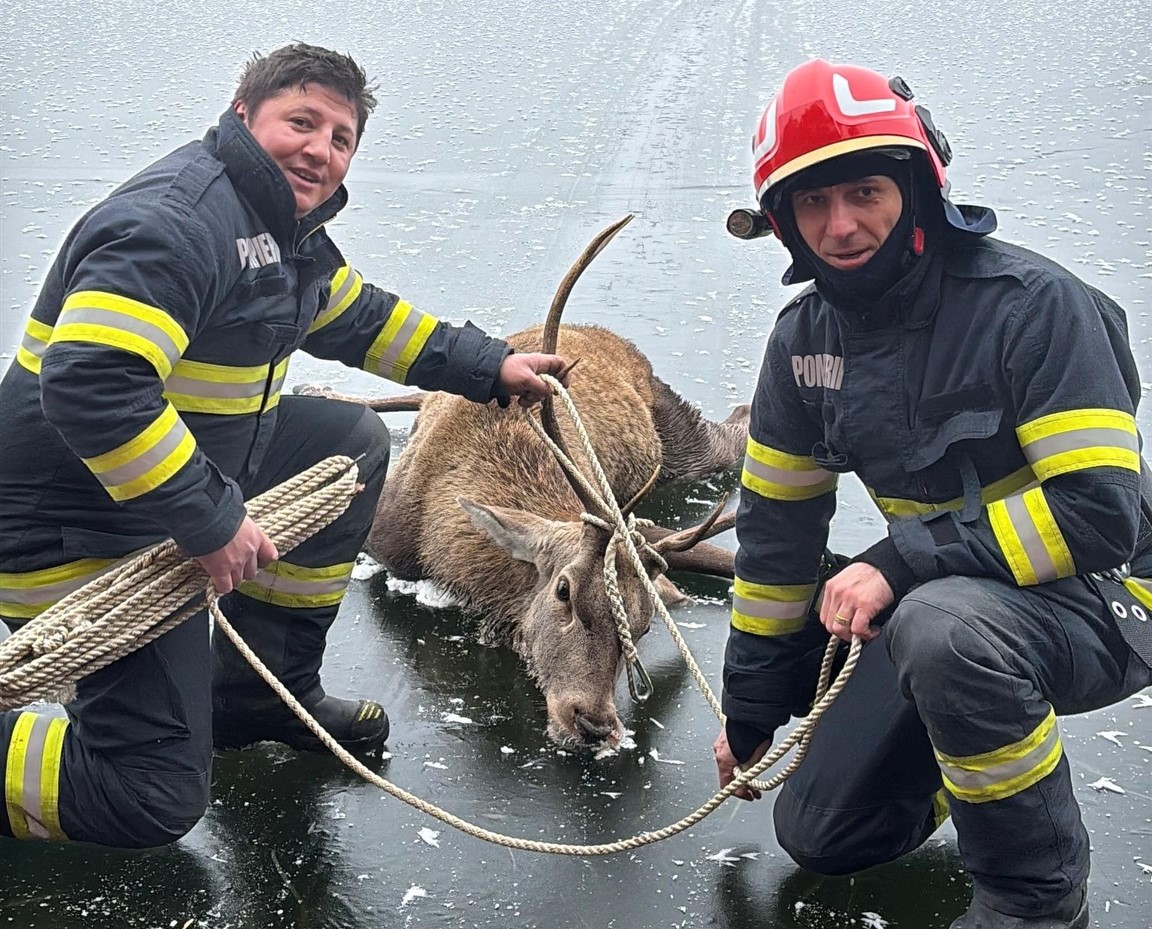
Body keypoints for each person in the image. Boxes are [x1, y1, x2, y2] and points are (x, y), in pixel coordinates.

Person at [0, 43, 569, 848]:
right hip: (75, 524)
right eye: (301, 121)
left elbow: (361, 317)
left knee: (350, 442)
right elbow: (93, 382)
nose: (321, 149)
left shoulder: (280, 231)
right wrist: (209, 521)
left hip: (160, 487)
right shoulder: (179, 221)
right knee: (147, 793)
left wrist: (490, 366)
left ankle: (261, 694)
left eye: (341, 138)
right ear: (243, 117)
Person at [714, 58, 1152, 929]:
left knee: (942, 626)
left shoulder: (1037, 308)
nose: (842, 225)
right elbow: (775, 541)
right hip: (953, 601)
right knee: (825, 832)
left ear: (918, 186)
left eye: (865, 191)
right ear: (784, 223)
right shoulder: (804, 342)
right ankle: (968, 757)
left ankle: (1034, 898)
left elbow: (1102, 512)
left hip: (1108, 596)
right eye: (813, 204)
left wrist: (899, 559)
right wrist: (753, 703)